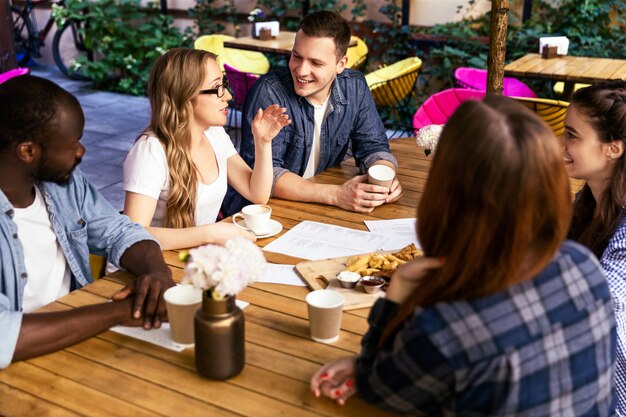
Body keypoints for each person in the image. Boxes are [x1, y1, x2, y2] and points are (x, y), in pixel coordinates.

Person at [310, 96, 616, 415]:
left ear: (446, 190)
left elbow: (381, 389)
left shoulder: (447, 325)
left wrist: (396, 296)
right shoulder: (582, 264)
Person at [0, 75, 175, 369]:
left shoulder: (64, 185)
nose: (82, 152)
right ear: (28, 152)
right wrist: (117, 313)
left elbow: (121, 231)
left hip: (74, 339)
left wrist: (157, 272)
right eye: (73, 145)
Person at [223, 10, 402, 216]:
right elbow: (265, 176)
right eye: (296, 57)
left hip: (315, 207)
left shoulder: (355, 86)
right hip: (260, 213)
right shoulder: (269, 92)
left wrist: (384, 178)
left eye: (316, 63)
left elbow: (374, 147)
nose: (301, 70)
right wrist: (336, 195)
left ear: (341, 64)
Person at [122, 48, 290, 250]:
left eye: (224, 85)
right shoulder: (151, 151)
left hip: (193, 258)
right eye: (217, 87)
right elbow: (132, 236)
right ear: (185, 96)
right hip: (150, 267)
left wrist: (263, 142)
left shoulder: (214, 134)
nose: (228, 95)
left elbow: (257, 194)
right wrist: (209, 233)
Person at [563, 80, 626, 415]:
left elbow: (596, 309)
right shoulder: (587, 201)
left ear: (612, 148)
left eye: (572, 135)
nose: (561, 144)